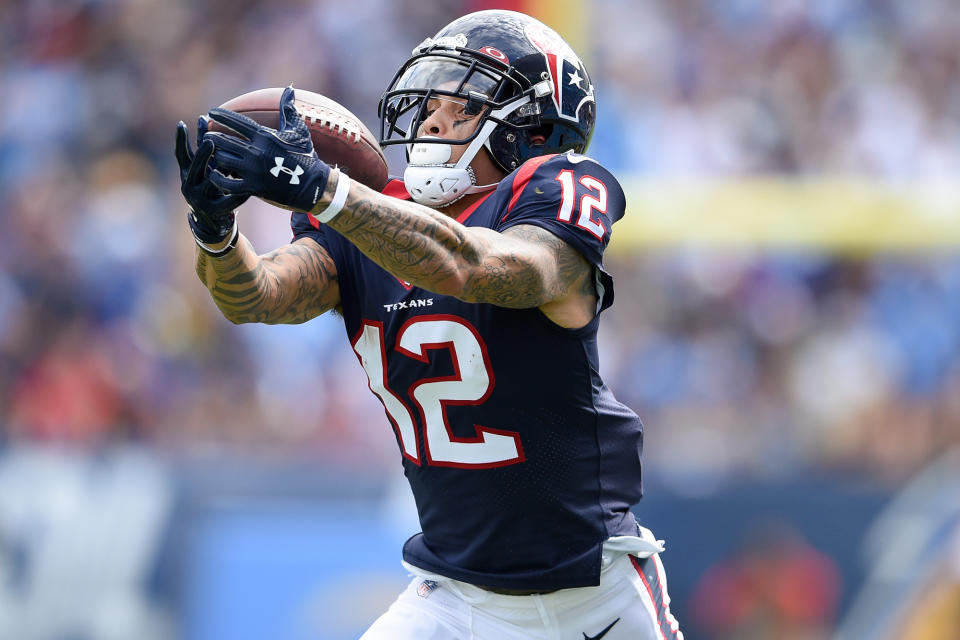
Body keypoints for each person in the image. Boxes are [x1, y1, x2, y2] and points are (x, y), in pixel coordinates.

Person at [175, 9, 683, 640]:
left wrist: (329, 192)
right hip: (455, 599)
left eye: (463, 105)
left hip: (593, 597)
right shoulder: (367, 219)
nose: (433, 120)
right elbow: (256, 296)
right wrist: (216, 231)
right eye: (430, 103)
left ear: (527, 132)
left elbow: (480, 266)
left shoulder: (556, 189)